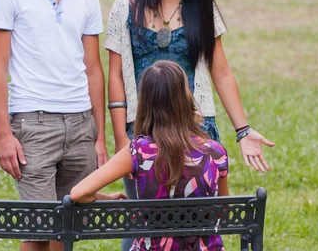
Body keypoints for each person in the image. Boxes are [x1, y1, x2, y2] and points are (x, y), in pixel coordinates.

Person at [105, 0, 274, 251]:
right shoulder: (125, 7)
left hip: (196, 134)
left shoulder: (202, 10)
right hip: (143, 134)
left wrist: (243, 130)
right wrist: (121, 138)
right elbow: (115, 77)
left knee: (200, 225)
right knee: (140, 226)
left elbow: (221, 71)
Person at [0, 0, 109, 251]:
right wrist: (3, 135)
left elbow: (93, 69)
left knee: (67, 228)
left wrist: (99, 136)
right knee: (39, 229)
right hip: (33, 124)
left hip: (80, 122)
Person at [71, 60, 230, 251]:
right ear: (185, 99)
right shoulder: (215, 153)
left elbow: (78, 193)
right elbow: (223, 213)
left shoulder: (139, 152)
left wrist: (107, 199)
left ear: (145, 103)